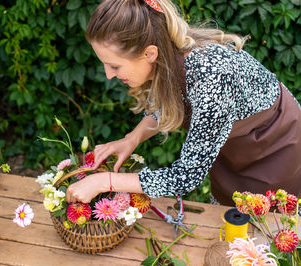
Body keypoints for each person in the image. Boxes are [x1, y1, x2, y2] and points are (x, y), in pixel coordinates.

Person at [65, 0, 301, 206]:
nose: (108, 75)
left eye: (115, 66)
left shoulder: (212, 77)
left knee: (267, 235)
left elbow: (185, 177)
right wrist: (131, 139)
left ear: (149, 53)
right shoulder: (168, 55)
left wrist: (105, 182)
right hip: (234, 148)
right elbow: (168, 101)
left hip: (274, 149)